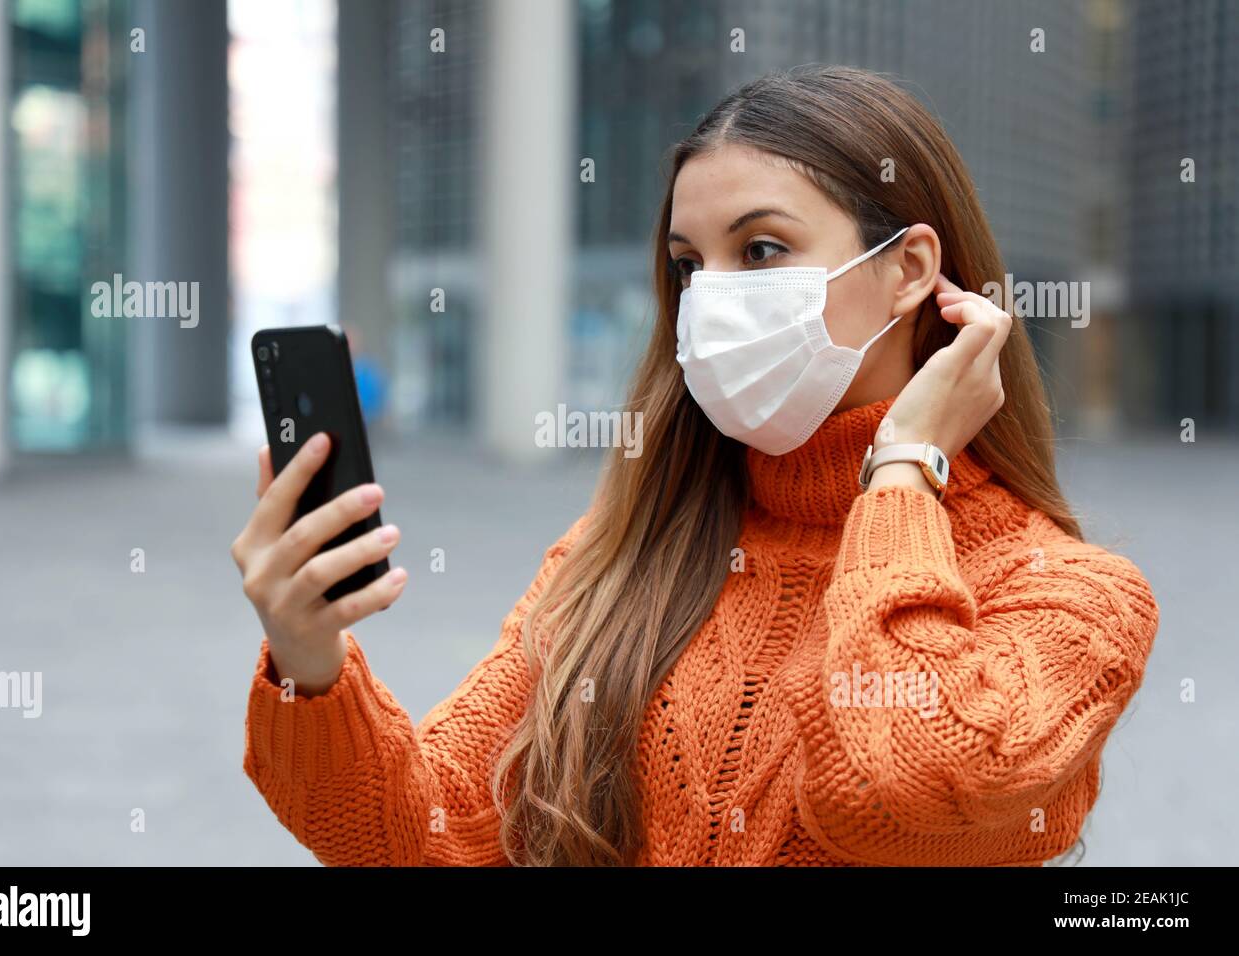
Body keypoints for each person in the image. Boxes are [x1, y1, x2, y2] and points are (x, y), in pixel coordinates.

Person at [230, 65, 1158, 866]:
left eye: (761, 250)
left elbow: (899, 783)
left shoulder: (1072, 599)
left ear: (911, 268)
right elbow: (421, 834)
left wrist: (904, 471)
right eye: (688, 265)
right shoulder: (621, 554)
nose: (712, 299)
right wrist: (310, 660)